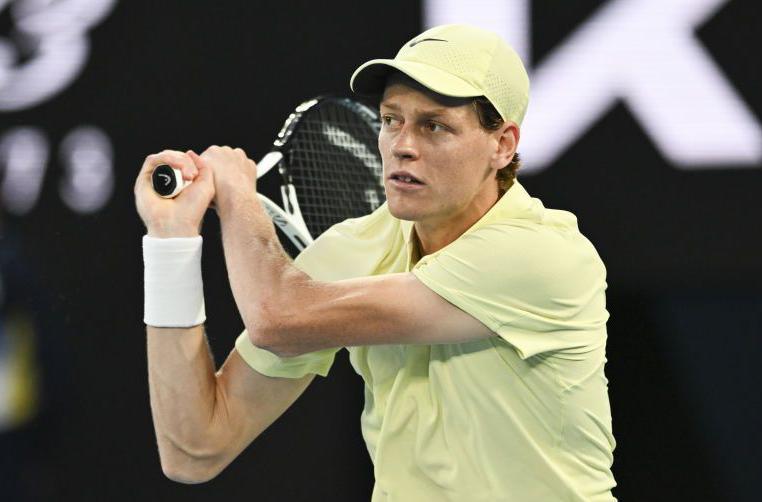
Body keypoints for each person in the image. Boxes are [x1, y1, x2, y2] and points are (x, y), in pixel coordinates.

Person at [135, 24, 616, 501]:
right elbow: (195, 448)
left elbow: (277, 319)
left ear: (503, 145)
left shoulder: (542, 255)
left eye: (434, 125)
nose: (403, 144)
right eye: (391, 120)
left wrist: (239, 195)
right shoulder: (359, 247)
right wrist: (170, 242)